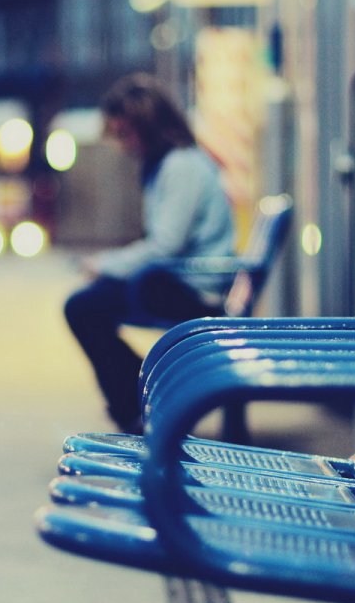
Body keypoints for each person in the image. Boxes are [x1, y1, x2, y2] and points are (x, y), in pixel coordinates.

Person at [64, 73, 235, 433]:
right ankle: (142, 398)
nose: (122, 145)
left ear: (150, 126)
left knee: (82, 307)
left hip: (193, 289)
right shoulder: (171, 164)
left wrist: (105, 265)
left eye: (125, 134)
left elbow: (165, 246)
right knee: (87, 306)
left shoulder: (180, 166)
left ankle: (141, 400)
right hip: (181, 280)